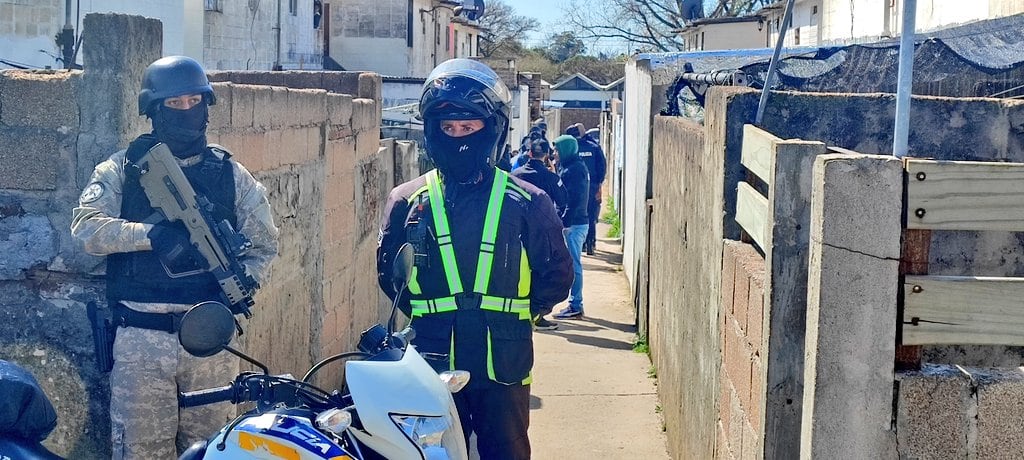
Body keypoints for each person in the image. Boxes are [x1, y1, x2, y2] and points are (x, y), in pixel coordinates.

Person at [70, 55, 279, 459]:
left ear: (206, 105)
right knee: (141, 453)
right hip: (141, 340)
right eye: (173, 104)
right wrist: (151, 235)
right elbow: (86, 229)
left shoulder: (232, 176)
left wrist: (235, 284)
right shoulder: (122, 170)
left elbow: (264, 248)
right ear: (153, 109)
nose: (186, 112)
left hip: (210, 343)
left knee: (216, 451)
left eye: (193, 102)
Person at [376, 58, 572, 460]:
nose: (458, 136)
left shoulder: (529, 202)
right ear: (432, 131)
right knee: (430, 453)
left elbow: (556, 277)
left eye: (469, 127)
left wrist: (512, 313)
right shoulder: (407, 201)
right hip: (432, 360)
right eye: (448, 128)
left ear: (493, 128)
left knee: (507, 453)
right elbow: (390, 277)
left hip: (502, 364)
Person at [511, 138, 567, 331]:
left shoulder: (514, 175)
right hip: (541, 233)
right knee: (541, 272)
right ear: (547, 155)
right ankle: (537, 314)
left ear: (529, 153)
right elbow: (563, 200)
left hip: (513, 231)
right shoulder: (550, 177)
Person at [552, 134, 589, 319]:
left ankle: (576, 305)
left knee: (574, 265)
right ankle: (574, 303)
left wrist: (565, 222)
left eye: (557, 149)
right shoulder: (571, 166)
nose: (554, 153)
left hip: (574, 225)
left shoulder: (573, 170)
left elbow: (574, 200)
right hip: (574, 223)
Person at [566, 123, 607, 255]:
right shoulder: (594, 147)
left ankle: (581, 244)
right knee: (591, 215)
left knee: (578, 214)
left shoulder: (571, 149)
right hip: (593, 186)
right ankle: (591, 243)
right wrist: (599, 184)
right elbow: (602, 167)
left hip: (575, 187)